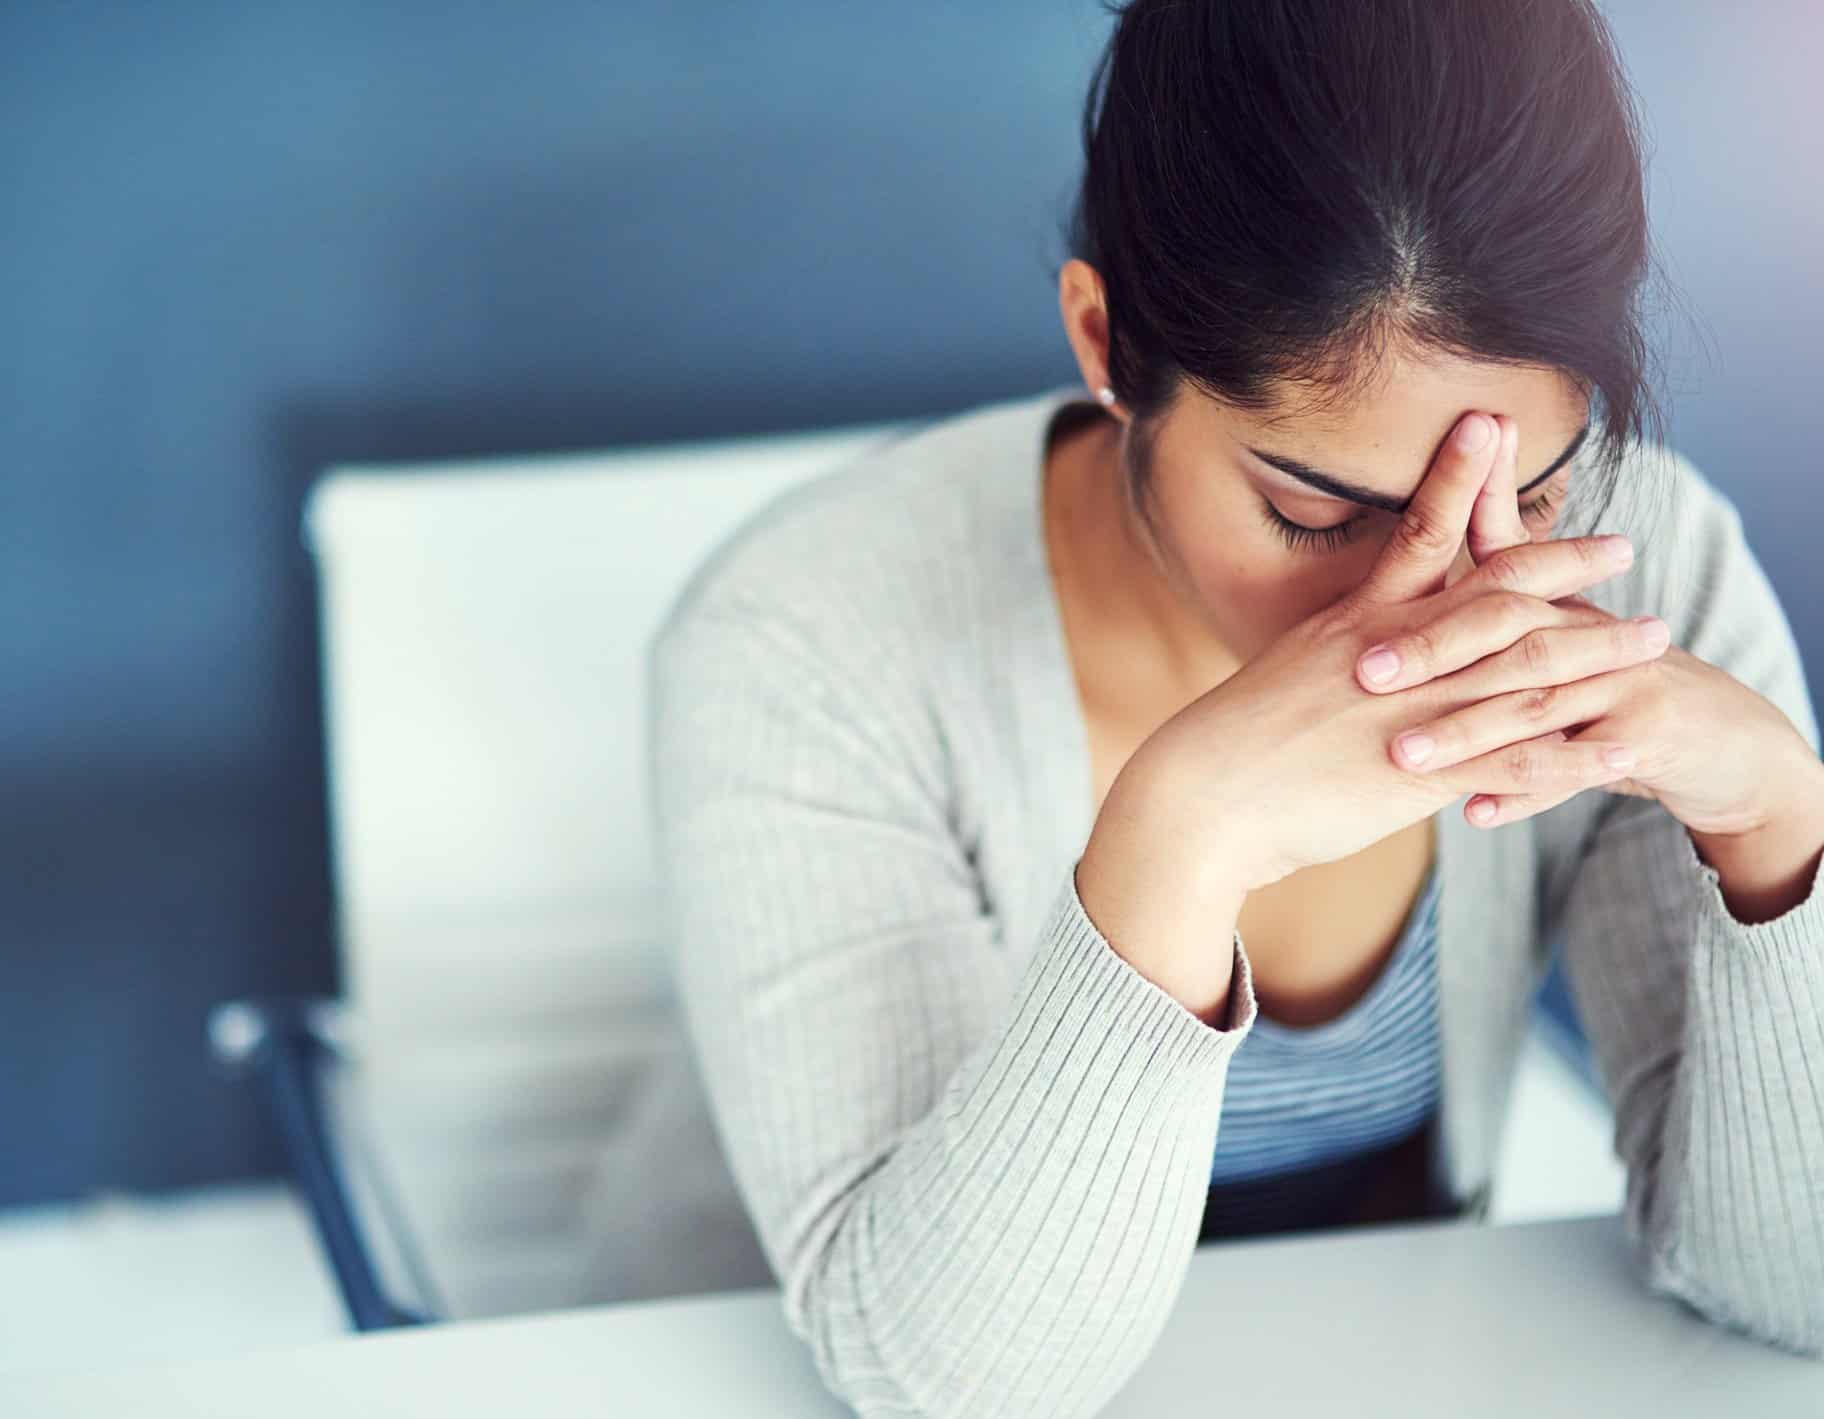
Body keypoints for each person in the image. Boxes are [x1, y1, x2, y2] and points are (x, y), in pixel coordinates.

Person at [569, 1, 1824, 1413]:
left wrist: (1783, 832)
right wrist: (1178, 840)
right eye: (1309, 510)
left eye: (1527, 492)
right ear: (1106, 345)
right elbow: (954, 1384)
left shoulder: (1644, 567)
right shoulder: (802, 641)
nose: (1434, 591)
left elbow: (1789, 1292)